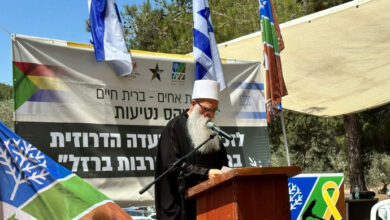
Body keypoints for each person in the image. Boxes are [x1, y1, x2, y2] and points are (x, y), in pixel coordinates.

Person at [155, 80, 229, 220]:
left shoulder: (211, 131)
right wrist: (207, 173)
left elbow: (222, 162)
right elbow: (172, 166)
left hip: (208, 206)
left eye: (214, 110)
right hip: (179, 208)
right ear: (194, 104)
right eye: (207, 108)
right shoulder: (174, 128)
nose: (210, 114)